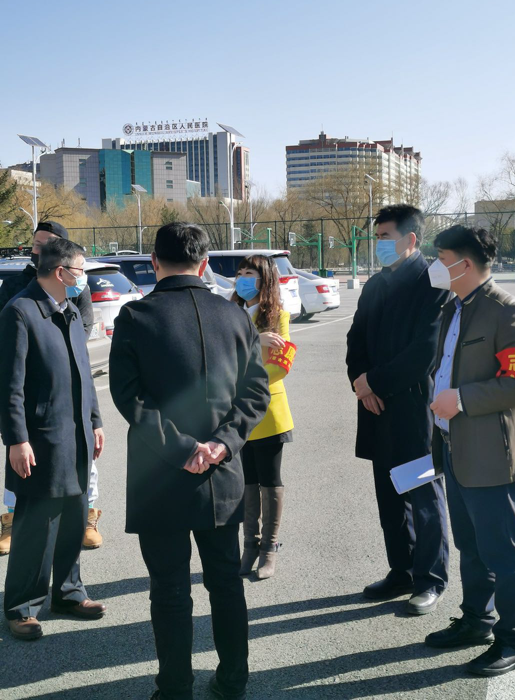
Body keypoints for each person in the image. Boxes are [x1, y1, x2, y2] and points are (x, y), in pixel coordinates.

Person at [109, 223, 270, 700]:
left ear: (153, 262)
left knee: (170, 589)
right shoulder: (234, 316)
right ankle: (233, 680)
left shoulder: (136, 315)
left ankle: (175, 688)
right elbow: (255, 393)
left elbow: (129, 397)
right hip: (222, 474)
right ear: (205, 265)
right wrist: (221, 444)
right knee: (226, 582)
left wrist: (182, 449)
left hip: (160, 473)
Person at [425, 226, 515, 676]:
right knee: (471, 545)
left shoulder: (507, 312)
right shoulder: (454, 307)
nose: (435, 267)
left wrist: (462, 399)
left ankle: (514, 641)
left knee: (503, 551)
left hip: (492, 454)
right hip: (456, 448)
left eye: (441, 258)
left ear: (464, 264)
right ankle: (477, 619)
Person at [0, 238, 106, 641]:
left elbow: (84, 373)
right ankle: (21, 607)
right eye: (80, 270)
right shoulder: (20, 312)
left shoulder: (71, 312)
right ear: (61, 272)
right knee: (36, 526)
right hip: (41, 440)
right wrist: (17, 439)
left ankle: (68, 593)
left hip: (77, 434)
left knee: (73, 519)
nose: (84, 278)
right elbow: (9, 386)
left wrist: (95, 420)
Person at [346, 204, 449, 615]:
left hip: (414, 410)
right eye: (377, 237)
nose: (379, 244)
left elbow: (425, 351)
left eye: (385, 237)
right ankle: (401, 570)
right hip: (375, 409)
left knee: (423, 497)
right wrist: (360, 382)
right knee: (389, 496)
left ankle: (430, 579)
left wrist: (374, 382)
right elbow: (355, 340)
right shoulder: (376, 285)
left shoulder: (434, 283)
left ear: (411, 239)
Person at [232, 255, 296, 580]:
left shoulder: (279, 317)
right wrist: (256, 341)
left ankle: (269, 549)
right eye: (240, 273)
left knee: (270, 481)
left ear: (265, 280)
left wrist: (241, 381)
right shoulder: (229, 314)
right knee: (246, 482)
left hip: (269, 413)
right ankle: (250, 546)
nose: (243, 279)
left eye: (250, 273)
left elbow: (281, 365)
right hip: (236, 414)